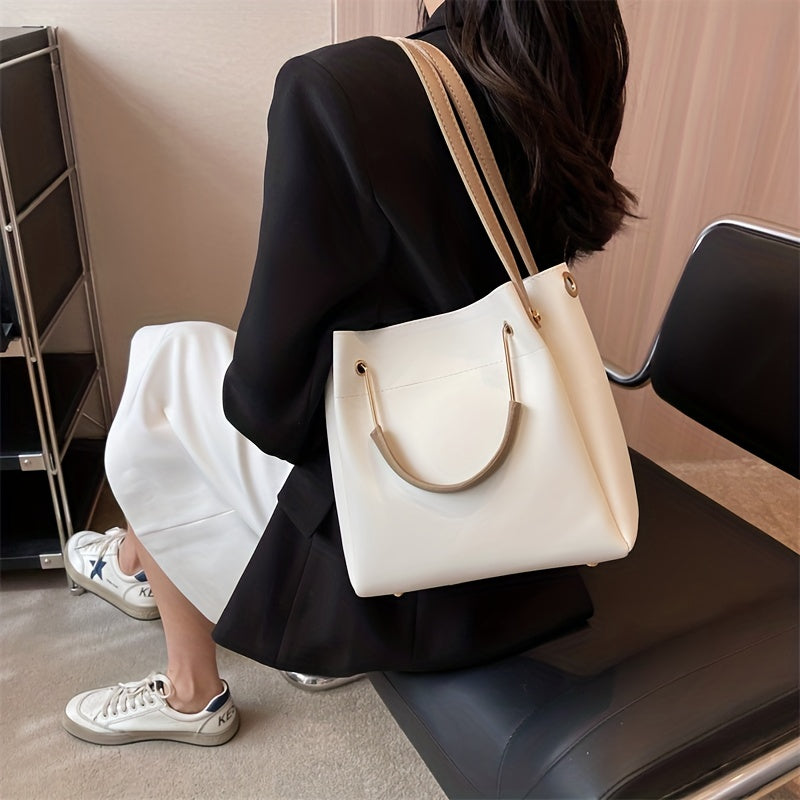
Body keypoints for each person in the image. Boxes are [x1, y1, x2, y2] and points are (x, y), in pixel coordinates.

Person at [62, 0, 636, 746]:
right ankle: (139, 556)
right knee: (187, 361)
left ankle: (189, 689)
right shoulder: (572, 49)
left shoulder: (338, 87)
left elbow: (269, 408)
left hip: (400, 534)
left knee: (161, 365)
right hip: (537, 498)